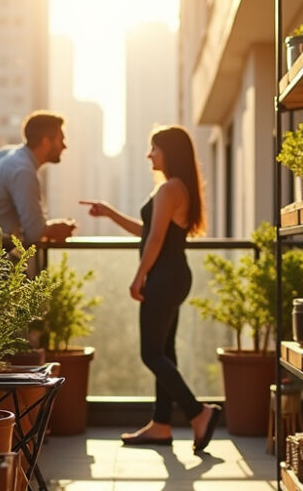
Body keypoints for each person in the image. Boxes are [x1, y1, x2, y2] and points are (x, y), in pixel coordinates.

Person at [81, 125, 222, 453]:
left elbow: (155, 240)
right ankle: (160, 425)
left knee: (151, 353)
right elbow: (147, 231)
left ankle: (198, 413)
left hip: (164, 276)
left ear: (168, 152)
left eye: (154, 148)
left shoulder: (169, 188)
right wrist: (109, 212)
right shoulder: (176, 188)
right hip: (174, 276)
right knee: (165, 352)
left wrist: (138, 276)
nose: (149, 155)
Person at [0, 110, 77, 244]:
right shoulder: (23, 171)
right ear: (45, 142)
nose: (64, 146)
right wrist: (59, 228)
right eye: (61, 140)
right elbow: (35, 232)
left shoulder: (6, 154)